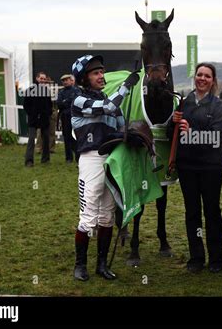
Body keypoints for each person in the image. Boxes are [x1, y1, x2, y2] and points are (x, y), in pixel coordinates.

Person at [71, 54, 140, 281]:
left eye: (102, 71)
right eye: (95, 73)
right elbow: (110, 106)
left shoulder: (108, 101)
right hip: (91, 159)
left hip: (112, 160)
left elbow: (122, 128)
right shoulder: (79, 100)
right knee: (88, 215)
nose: (101, 76)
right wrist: (127, 86)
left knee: (107, 216)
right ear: (84, 78)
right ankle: (80, 265)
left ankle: (101, 265)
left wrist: (134, 136)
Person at [167, 63, 222, 273]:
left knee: (212, 212)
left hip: (211, 167)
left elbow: (218, 138)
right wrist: (172, 123)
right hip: (187, 167)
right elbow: (171, 137)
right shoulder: (183, 103)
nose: (202, 79)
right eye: (199, 75)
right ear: (195, 77)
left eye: (207, 76)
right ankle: (196, 257)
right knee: (192, 212)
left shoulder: (219, 106)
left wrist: (191, 131)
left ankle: (216, 258)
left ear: (213, 81)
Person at [23, 72, 52, 166]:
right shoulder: (30, 90)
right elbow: (26, 105)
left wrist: (48, 113)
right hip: (33, 119)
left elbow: (49, 104)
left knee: (46, 139)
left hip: (44, 119)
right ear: (37, 78)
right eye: (41, 78)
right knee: (31, 139)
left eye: (44, 79)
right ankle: (29, 161)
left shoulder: (47, 91)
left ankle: (46, 159)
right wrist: (32, 114)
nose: (43, 80)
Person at [57, 74, 80, 163]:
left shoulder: (77, 90)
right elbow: (59, 103)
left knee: (75, 136)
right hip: (65, 117)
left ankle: (78, 155)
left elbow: (75, 101)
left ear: (71, 81)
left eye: (67, 80)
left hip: (75, 116)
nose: (65, 82)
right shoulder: (61, 92)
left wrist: (65, 101)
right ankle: (68, 158)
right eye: (63, 81)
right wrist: (67, 101)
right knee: (66, 137)